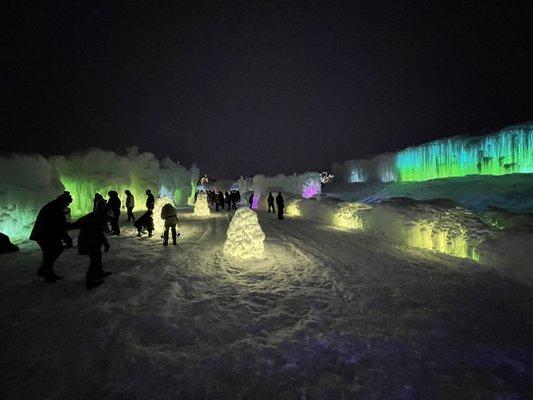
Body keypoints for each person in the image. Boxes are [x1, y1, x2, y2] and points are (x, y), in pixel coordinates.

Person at [29, 193, 72, 282]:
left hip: (42, 234)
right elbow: (59, 226)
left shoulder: (53, 206)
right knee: (53, 252)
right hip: (46, 235)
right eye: (68, 203)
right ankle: (48, 275)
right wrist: (67, 238)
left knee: (49, 253)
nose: (68, 205)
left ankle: (43, 270)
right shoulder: (56, 209)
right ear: (64, 201)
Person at [77, 207, 112, 290]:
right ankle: (90, 282)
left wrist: (105, 243)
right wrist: (105, 243)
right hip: (89, 242)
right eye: (110, 212)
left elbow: (99, 232)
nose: (111, 214)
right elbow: (98, 232)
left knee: (97, 257)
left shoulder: (97, 216)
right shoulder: (97, 219)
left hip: (90, 241)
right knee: (95, 260)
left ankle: (99, 273)